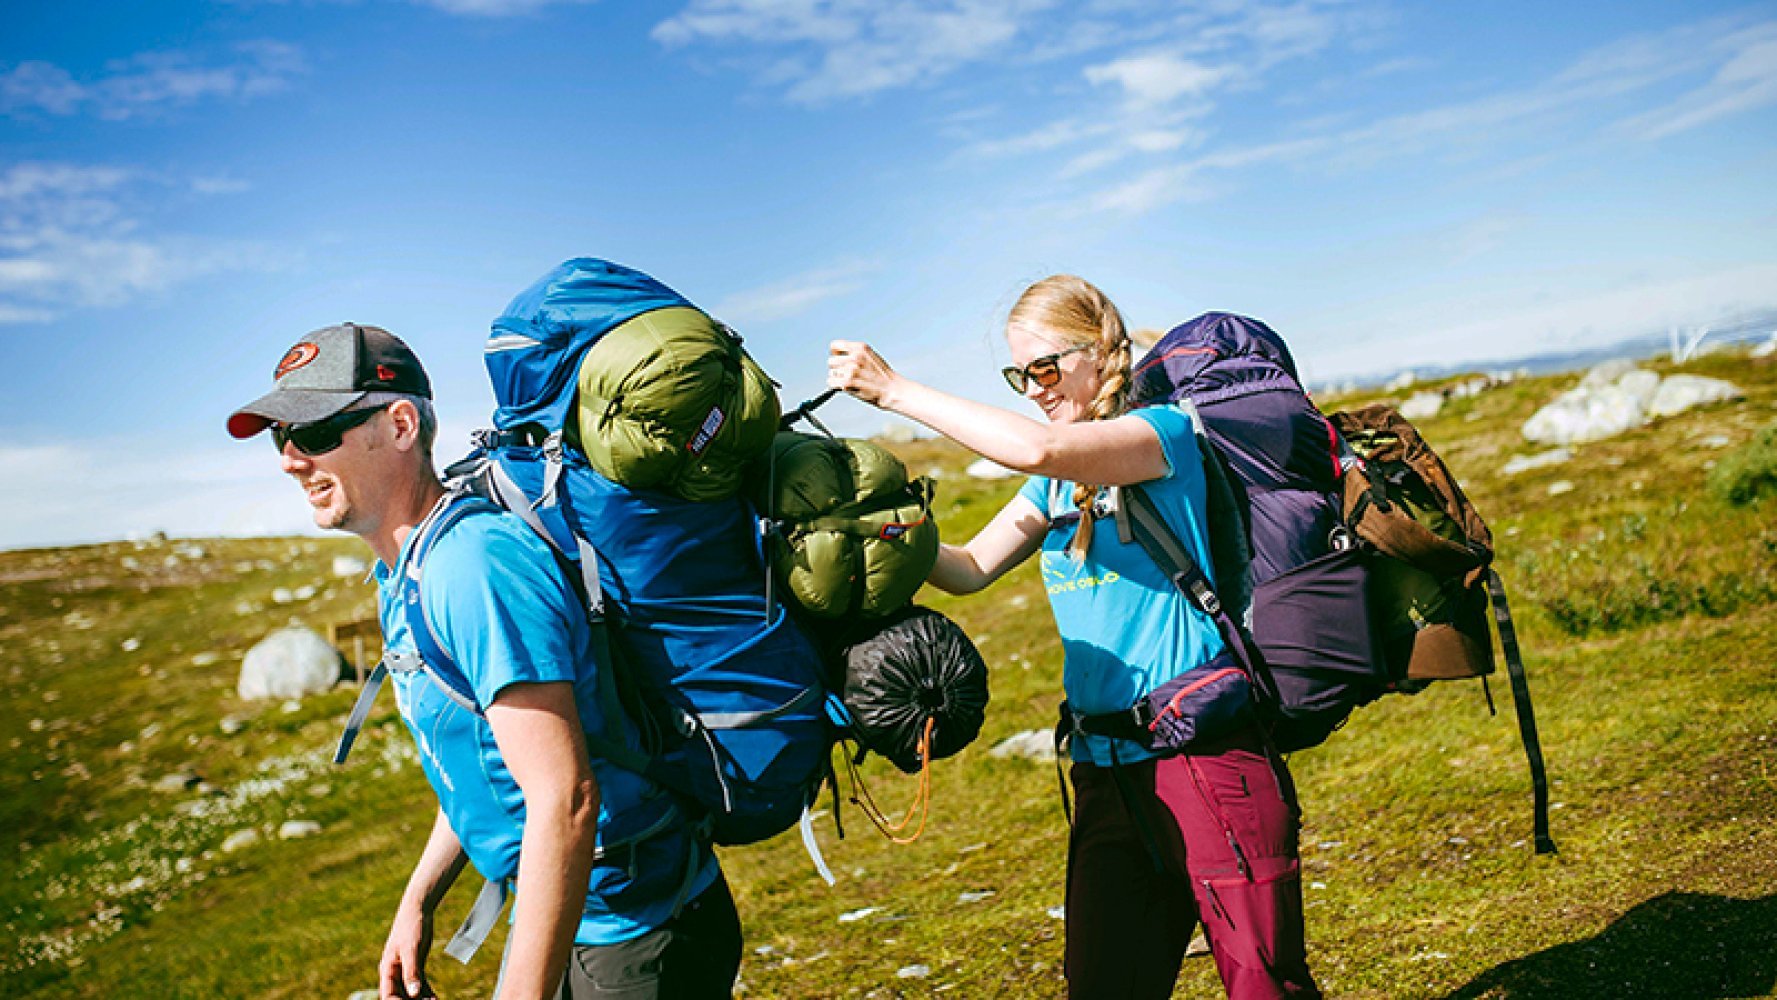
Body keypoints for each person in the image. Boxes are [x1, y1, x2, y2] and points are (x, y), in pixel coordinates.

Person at [828, 276, 1319, 1000]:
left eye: (1044, 368)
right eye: (1017, 375)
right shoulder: (1053, 491)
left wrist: (896, 391)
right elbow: (965, 571)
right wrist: (875, 527)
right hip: (1104, 770)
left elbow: (1041, 448)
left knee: (1262, 984)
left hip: (1205, 758)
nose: (1032, 389)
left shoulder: (1163, 436)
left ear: (1099, 353)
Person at [227, 323, 740, 1000]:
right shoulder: (404, 575)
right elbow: (484, 761)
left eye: (317, 433)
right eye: (280, 438)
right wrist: (418, 900)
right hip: (584, 919)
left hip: (637, 931)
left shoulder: (473, 567)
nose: (292, 459)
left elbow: (566, 798)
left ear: (401, 423)